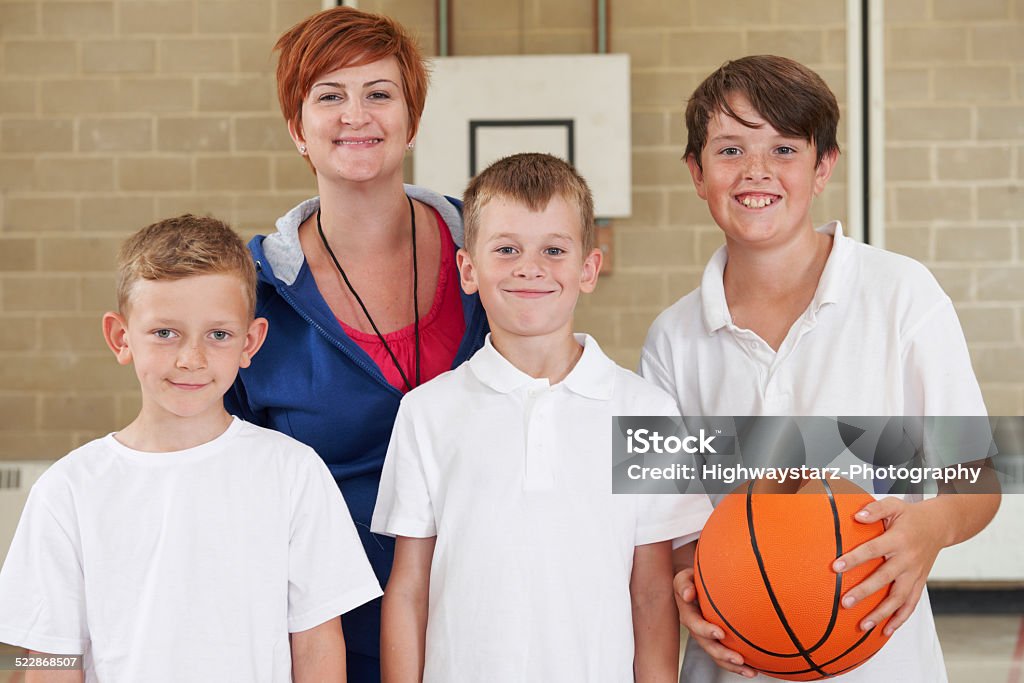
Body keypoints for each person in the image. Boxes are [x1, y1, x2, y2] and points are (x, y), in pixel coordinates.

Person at [640, 55, 1001, 682]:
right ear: (697, 173)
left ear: (823, 166)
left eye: (783, 148)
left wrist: (932, 527)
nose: (756, 172)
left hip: (884, 659)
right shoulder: (671, 339)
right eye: (729, 151)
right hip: (736, 660)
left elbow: (978, 476)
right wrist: (692, 587)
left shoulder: (902, 294)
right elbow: (668, 523)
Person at [371, 153, 714, 682]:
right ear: (468, 269)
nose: (530, 267)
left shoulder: (646, 411)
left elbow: (650, 595)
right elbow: (410, 589)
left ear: (588, 269)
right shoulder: (426, 412)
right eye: (506, 249)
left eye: (554, 250)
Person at [0, 215, 382, 682]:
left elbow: (319, 644)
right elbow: (43, 657)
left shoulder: (292, 472)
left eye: (218, 334)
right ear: (121, 338)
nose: (191, 359)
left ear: (251, 341)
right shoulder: (68, 489)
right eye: (165, 333)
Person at [224, 7, 488, 679]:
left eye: (379, 93)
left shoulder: (495, 254)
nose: (356, 114)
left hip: (494, 627)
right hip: (331, 649)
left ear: (412, 119)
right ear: (298, 129)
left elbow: (579, 403)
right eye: (330, 96)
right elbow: (224, 487)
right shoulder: (255, 296)